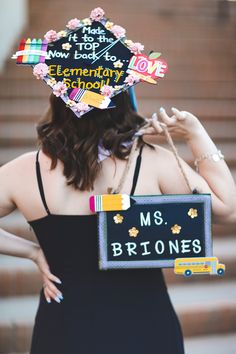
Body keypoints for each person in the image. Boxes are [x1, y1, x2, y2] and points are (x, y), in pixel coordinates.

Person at [0, 91, 236, 354]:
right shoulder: (153, 162)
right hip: (146, 328)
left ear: (57, 102)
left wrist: (32, 252)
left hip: (64, 328)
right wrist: (194, 133)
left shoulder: (22, 171)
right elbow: (228, 210)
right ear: (123, 103)